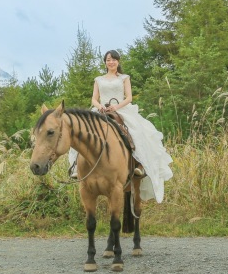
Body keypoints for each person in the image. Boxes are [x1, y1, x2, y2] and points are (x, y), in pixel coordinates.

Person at [68, 50, 174, 203]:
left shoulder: (124, 78)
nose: (111, 62)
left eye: (114, 60)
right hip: (101, 110)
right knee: (83, 132)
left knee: (137, 132)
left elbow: (129, 97)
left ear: (118, 62)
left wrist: (115, 108)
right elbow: (94, 98)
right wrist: (100, 107)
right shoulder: (98, 79)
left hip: (120, 109)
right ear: (105, 62)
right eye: (108, 60)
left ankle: (139, 165)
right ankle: (76, 167)